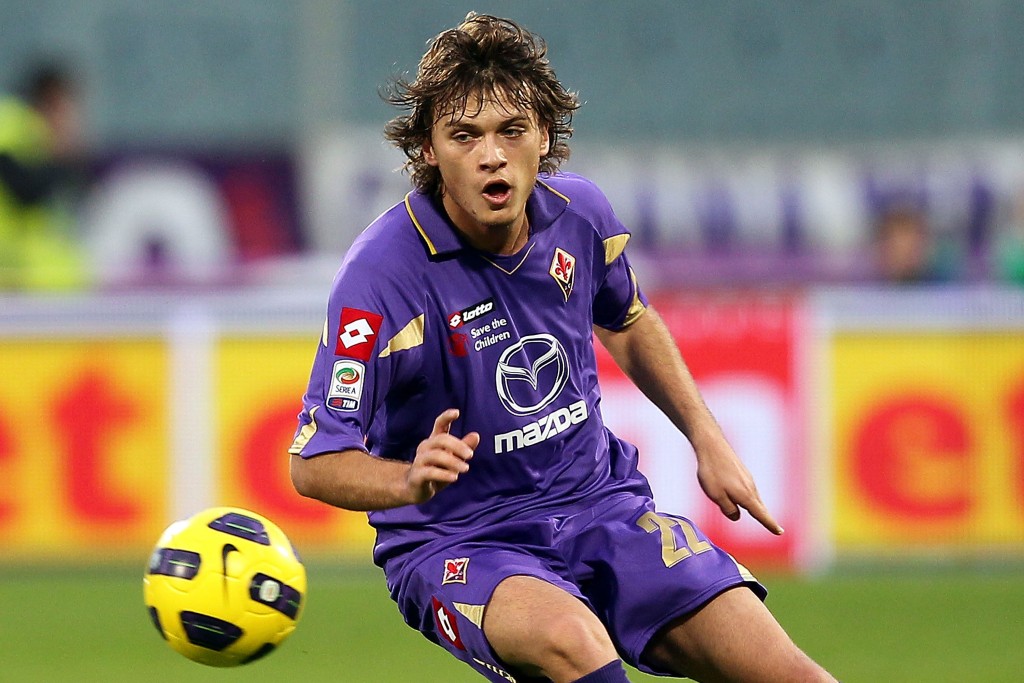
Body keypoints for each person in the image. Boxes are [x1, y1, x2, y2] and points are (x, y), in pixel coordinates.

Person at [290, 14, 836, 683]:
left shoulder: (580, 217)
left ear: (543, 135)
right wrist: (405, 480)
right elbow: (314, 463)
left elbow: (629, 321)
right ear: (428, 149)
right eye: (465, 135)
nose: (491, 154)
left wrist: (707, 438)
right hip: (460, 542)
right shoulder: (380, 280)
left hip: (603, 507)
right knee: (577, 644)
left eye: (510, 131)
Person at [0, 60, 89, 290]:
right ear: (52, 98)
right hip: (14, 278)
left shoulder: (39, 136)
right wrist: (59, 158)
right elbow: (25, 191)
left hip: (41, 282)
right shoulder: (11, 124)